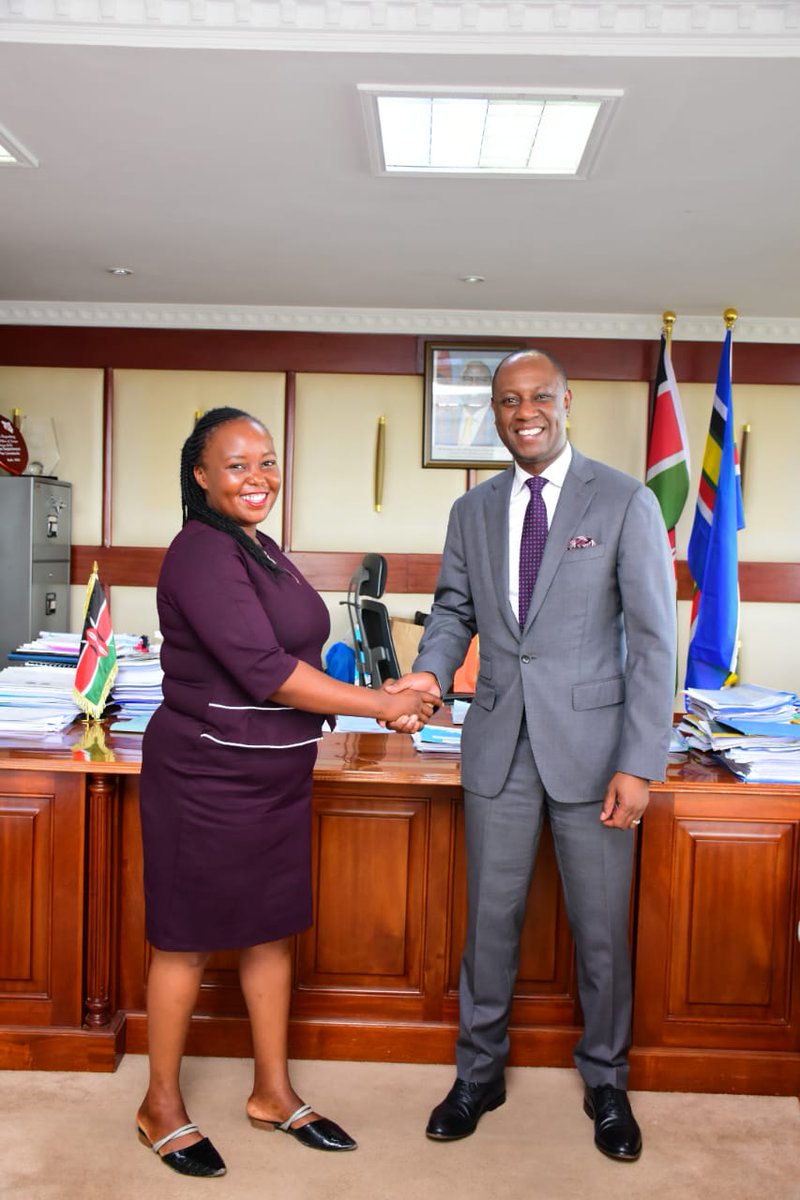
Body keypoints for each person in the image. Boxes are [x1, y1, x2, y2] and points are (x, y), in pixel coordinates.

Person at [386, 349, 675, 1162]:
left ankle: (607, 1082)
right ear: (496, 411)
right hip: (498, 746)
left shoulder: (625, 499)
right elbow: (451, 610)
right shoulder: (472, 510)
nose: (524, 413)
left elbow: (655, 639)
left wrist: (640, 761)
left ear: (566, 402)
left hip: (595, 755)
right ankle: (478, 1075)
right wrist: (429, 674)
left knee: (600, 932)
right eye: (508, 401)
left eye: (538, 398)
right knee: (490, 921)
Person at [137, 407, 438, 1178]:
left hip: (274, 772)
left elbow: (299, 651)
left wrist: (391, 691)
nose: (257, 477)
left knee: (270, 930)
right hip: (207, 774)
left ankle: (272, 1092)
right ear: (201, 476)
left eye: (266, 461)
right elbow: (262, 668)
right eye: (236, 464)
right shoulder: (199, 552)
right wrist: (382, 705)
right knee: (187, 937)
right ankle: (159, 1105)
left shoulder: (261, 548)